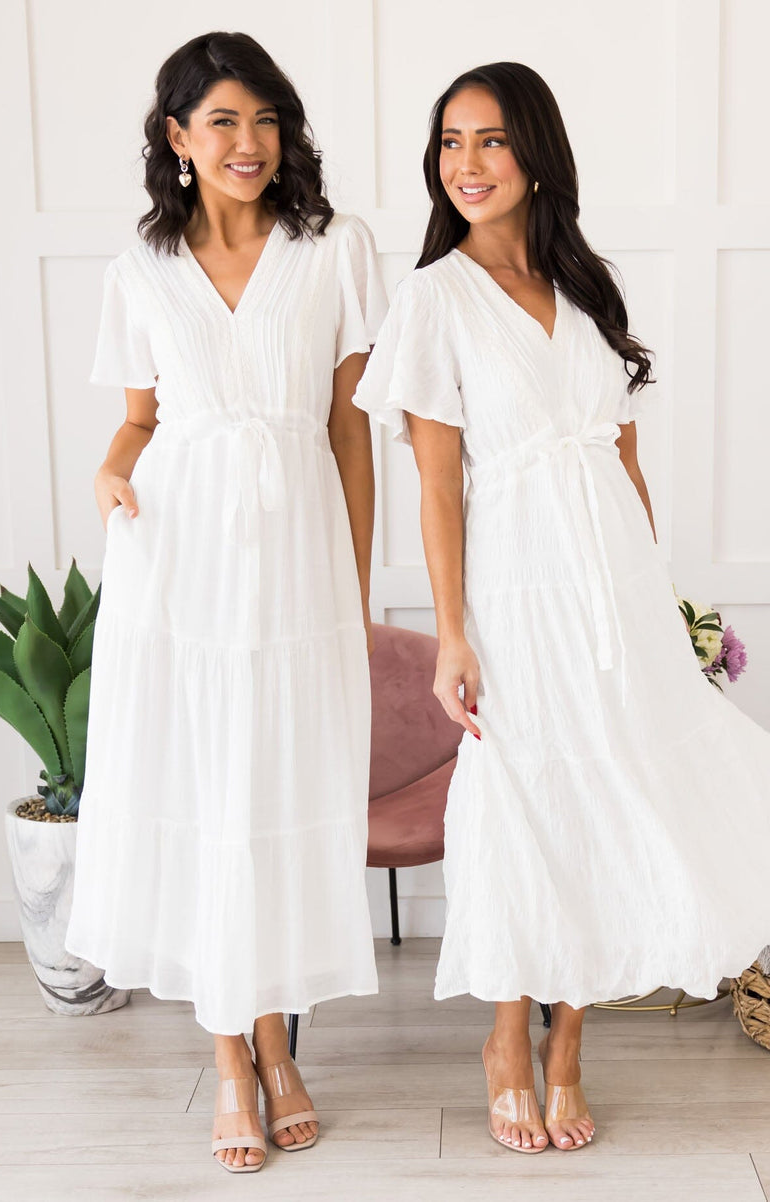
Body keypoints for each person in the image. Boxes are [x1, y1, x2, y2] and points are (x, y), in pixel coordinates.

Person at [354, 61, 770, 1155]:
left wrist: (655, 601)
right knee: (524, 801)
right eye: (450, 142)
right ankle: (506, 1040)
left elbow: (626, 464)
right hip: (514, 589)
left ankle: (569, 1045)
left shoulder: (587, 288)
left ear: (535, 154)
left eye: (489, 139)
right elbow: (435, 485)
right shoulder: (433, 298)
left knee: (615, 797)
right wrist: (451, 630)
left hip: (613, 588)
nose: (466, 163)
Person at [65, 31, 387, 1174]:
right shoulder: (140, 267)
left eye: (265, 119)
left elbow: (351, 430)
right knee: (202, 789)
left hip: (297, 561)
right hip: (177, 555)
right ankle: (235, 1058)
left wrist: (354, 585)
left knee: (279, 792)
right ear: (177, 138)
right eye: (222, 122)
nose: (249, 142)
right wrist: (110, 472)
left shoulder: (335, 248)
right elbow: (138, 421)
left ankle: (278, 1038)